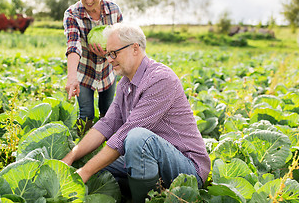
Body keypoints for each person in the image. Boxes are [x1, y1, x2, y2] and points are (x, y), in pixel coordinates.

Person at [61, 23, 211, 202]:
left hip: (187, 168)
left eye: (114, 53)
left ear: (135, 48)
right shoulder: (125, 84)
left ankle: (144, 199)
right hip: (149, 159)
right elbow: (107, 124)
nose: (110, 59)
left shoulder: (160, 79)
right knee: (94, 161)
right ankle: (147, 190)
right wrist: (70, 157)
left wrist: (85, 173)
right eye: (108, 54)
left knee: (137, 137)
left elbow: (127, 134)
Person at [63, 0, 123, 132]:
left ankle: (105, 150)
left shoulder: (113, 11)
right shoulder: (72, 14)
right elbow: (73, 45)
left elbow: (122, 41)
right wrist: (72, 77)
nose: (89, 0)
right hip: (84, 72)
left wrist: (109, 53)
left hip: (108, 71)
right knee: (86, 115)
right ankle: (82, 150)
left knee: (108, 114)